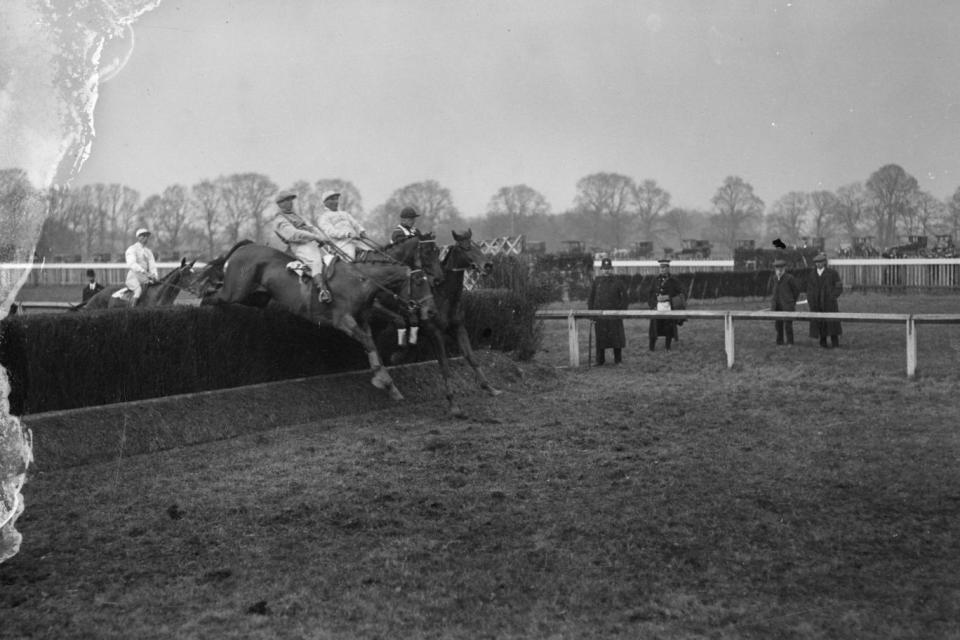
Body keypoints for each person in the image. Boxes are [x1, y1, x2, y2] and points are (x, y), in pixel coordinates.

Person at [272, 189, 332, 303]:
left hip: (312, 242)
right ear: (280, 204)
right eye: (287, 200)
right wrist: (314, 237)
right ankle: (322, 291)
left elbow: (311, 227)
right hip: (299, 245)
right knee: (316, 262)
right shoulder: (279, 219)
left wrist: (322, 237)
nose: (290, 202)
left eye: (291, 200)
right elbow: (292, 234)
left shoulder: (296, 215)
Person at [587, 257, 628, 365]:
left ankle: (618, 360)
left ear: (612, 269)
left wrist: (621, 312)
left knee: (616, 339)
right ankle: (600, 360)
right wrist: (591, 315)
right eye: (605, 268)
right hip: (600, 316)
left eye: (609, 268)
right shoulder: (597, 282)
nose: (607, 270)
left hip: (614, 316)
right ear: (601, 269)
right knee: (600, 339)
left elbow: (625, 298)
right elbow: (591, 299)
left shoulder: (618, 282)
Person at [316, 190, 369, 261]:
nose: (336, 201)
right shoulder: (323, 217)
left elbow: (355, 224)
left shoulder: (345, 213)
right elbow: (331, 232)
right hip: (342, 245)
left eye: (336, 199)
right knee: (350, 260)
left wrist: (361, 231)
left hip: (356, 241)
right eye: (332, 199)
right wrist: (347, 234)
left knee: (373, 253)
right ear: (326, 203)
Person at [807, 252, 843, 348]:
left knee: (832, 324)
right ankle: (823, 343)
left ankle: (835, 344)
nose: (818, 264)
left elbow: (839, 287)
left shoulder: (832, 273)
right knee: (820, 323)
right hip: (816, 303)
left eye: (820, 262)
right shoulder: (812, 275)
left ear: (824, 262)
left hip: (829, 303)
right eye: (816, 262)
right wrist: (811, 301)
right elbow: (809, 290)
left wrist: (832, 296)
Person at [647, 258, 684, 351]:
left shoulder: (674, 281)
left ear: (668, 268)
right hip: (657, 307)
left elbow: (682, 293)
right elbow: (650, 294)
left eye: (664, 268)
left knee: (669, 327)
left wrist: (669, 297)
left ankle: (668, 346)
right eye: (661, 268)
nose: (662, 269)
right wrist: (653, 303)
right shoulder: (655, 280)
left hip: (668, 307)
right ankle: (651, 348)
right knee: (654, 328)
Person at [767, 258, 801, 345]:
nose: (779, 270)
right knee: (778, 325)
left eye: (781, 269)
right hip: (777, 306)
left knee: (788, 325)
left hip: (787, 305)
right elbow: (771, 289)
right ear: (775, 269)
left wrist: (792, 301)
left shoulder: (789, 278)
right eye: (777, 269)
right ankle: (780, 341)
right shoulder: (773, 279)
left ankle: (790, 341)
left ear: (784, 269)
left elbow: (796, 291)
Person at [124, 228, 158, 305]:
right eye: (143, 236)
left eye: (146, 236)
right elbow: (132, 264)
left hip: (146, 279)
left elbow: (152, 266)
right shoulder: (132, 249)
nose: (145, 238)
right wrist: (144, 272)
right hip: (134, 277)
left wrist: (155, 276)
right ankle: (132, 311)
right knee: (138, 291)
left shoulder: (148, 252)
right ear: (138, 237)